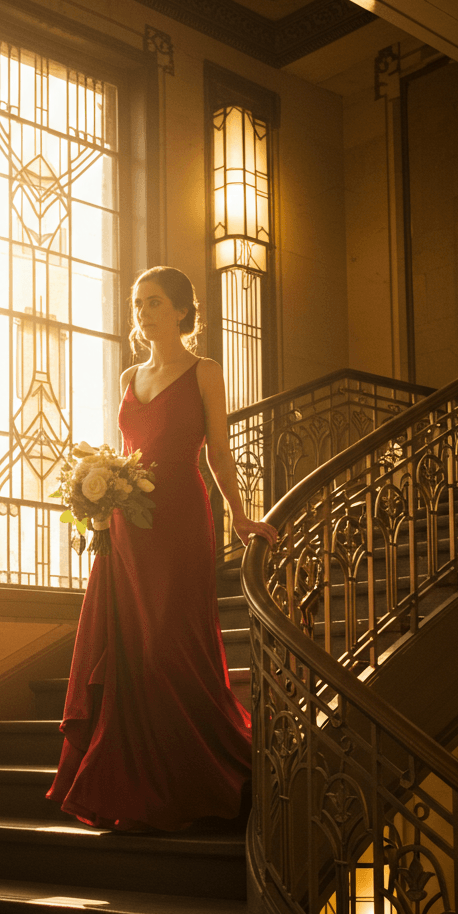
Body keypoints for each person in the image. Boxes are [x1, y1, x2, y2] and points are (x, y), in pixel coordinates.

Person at [46, 266, 277, 834]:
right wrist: (100, 497)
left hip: (178, 521)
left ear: (180, 310)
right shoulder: (130, 375)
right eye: (138, 303)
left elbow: (218, 454)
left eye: (154, 303)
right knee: (129, 650)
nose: (143, 313)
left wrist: (242, 516)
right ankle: (138, 784)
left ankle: (200, 773)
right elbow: (128, 450)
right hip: (127, 528)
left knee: (170, 647)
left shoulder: (205, 371)